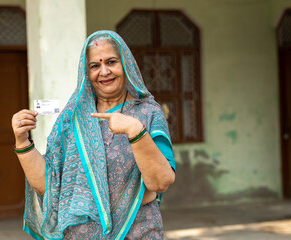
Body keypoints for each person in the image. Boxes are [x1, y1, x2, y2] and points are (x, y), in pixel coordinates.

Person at [11, 30, 176, 240]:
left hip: (135, 233)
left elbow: (160, 182)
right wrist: (22, 141)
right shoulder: (72, 118)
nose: (104, 71)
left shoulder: (147, 113)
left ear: (126, 64)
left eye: (111, 62)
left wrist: (136, 132)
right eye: (95, 66)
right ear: (85, 73)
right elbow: (48, 186)